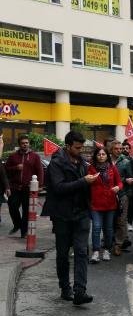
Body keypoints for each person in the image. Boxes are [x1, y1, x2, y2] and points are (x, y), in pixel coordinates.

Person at [42, 131, 96, 305]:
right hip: (62, 215)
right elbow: (58, 187)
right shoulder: (56, 164)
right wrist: (83, 181)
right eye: (77, 147)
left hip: (81, 214)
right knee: (63, 254)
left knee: (81, 251)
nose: (80, 151)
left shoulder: (83, 163)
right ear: (68, 145)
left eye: (81, 147)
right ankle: (65, 288)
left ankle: (80, 291)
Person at [88, 147, 122, 263]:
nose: (101, 156)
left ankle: (107, 249)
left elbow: (120, 182)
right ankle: (96, 251)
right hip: (96, 204)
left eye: (103, 154)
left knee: (108, 229)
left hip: (110, 203)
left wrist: (118, 187)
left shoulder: (112, 167)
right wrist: (89, 180)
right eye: (99, 154)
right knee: (96, 228)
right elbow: (85, 183)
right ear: (96, 156)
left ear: (107, 156)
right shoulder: (91, 168)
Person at [6, 134, 44, 237]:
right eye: (23, 143)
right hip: (15, 187)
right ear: (19, 144)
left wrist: (40, 185)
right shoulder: (13, 156)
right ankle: (17, 224)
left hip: (28, 188)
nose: (25, 145)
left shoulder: (34, 156)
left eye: (26, 143)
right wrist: (15, 168)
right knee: (12, 206)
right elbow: (6, 170)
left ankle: (24, 232)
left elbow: (40, 171)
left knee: (26, 211)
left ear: (29, 144)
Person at [110, 140, 133, 256]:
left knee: (121, 220)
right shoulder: (106, 161)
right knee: (110, 220)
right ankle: (110, 241)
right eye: (117, 149)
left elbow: (130, 178)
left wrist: (128, 195)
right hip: (108, 195)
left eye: (120, 149)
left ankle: (118, 244)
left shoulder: (125, 162)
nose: (119, 150)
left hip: (122, 194)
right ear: (111, 149)